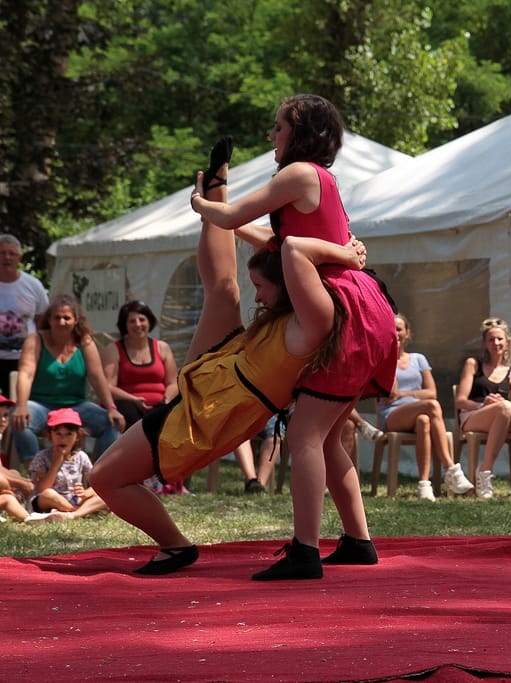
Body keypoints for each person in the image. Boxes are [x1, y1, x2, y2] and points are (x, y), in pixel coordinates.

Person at [90, 140, 366, 576]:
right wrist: (216, 196)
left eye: (265, 286)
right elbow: (254, 261)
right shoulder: (284, 323)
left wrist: (344, 254)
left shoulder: (306, 324)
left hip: (204, 417)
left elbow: (295, 251)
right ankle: (177, 547)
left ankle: (176, 545)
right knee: (222, 288)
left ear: (292, 285)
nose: (258, 294)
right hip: (218, 379)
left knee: (103, 478)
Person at [190, 95, 399, 580]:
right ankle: (358, 541)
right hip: (366, 309)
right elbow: (271, 239)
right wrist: (222, 216)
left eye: (278, 126)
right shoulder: (315, 180)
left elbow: (231, 217)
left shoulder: (299, 173)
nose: (272, 136)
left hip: (346, 311)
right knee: (326, 440)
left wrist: (203, 200)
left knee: (304, 434)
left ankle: (305, 551)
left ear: (301, 130)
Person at [10, 294, 126, 463]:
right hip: (41, 405)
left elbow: (97, 376)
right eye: (57, 317)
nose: (62, 322)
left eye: (67, 318)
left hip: (76, 406)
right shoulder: (36, 339)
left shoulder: (84, 342)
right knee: (20, 419)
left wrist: (111, 407)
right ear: (49, 319)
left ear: (76, 320)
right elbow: (26, 373)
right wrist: (21, 405)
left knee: (113, 423)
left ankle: (97, 477)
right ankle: (36, 474)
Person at [377, 314, 474, 500]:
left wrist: (405, 395)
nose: (395, 334)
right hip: (392, 415)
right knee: (431, 406)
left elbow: (432, 392)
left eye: (399, 329)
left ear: (407, 333)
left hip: (419, 414)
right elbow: (389, 394)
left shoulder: (418, 359)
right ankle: (452, 469)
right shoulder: (382, 358)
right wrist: (390, 356)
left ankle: (424, 485)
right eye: (392, 329)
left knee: (424, 419)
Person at [455, 317, 511, 499]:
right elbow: (460, 401)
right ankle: (485, 471)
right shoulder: (474, 364)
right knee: (506, 407)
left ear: (507, 342)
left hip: (503, 417)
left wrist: (501, 404)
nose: (496, 343)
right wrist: (483, 404)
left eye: (500, 339)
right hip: (474, 415)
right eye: (491, 339)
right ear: (485, 344)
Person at [100, 300, 179, 429]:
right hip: (128, 405)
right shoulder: (113, 349)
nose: (138, 325)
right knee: (129, 413)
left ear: (149, 322)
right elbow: (108, 386)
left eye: (142, 320)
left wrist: (166, 400)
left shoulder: (162, 347)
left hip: (159, 403)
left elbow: (173, 383)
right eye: (132, 321)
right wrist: (134, 400)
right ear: (125, 325)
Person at [27, 408, 105, 520]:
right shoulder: (42, 457)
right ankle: (79, 511)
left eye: (69, 434)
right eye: (58, 434)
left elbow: (96, 485)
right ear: (50, 436)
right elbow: (42, 488)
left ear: (77, 436)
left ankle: (72, 515)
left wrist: (85, 492)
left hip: (73, 498)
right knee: (49, 494)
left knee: (103, 496)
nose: (63, 439)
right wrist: (56, 464)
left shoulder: (81, 456)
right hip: (46, 500)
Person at [0, 234, 49, 383]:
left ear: (19, 259)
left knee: (21, 403)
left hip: (25, 358)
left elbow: (43, 321)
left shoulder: (33, 285)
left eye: (12, 253)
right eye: (2, 253)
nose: (7, 257)